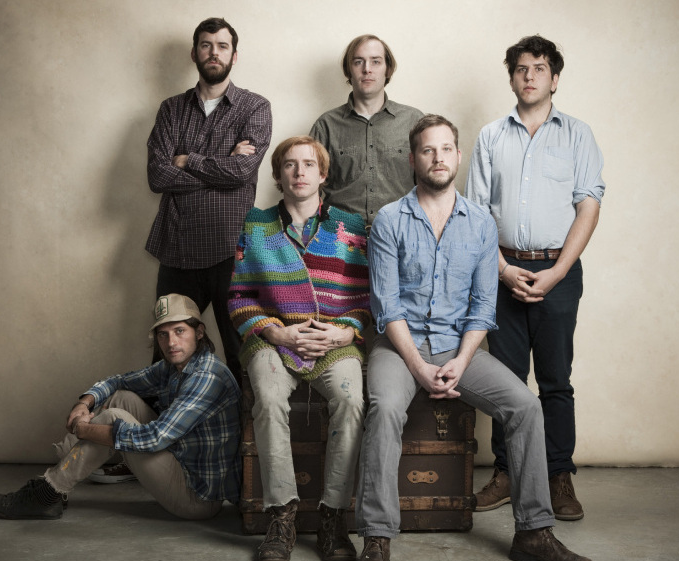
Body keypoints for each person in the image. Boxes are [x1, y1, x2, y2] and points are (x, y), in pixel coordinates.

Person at [355, 115, 590, 561]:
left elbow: (483, 307)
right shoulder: (389, 220)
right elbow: (386, 308)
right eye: (428, 150)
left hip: (457, 345)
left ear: (459, 156)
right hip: (399, 346)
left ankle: (533, 533)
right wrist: (420, 368)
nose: (438, 158)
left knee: (525, 406)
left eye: (446, 149)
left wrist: (462, 361)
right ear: (413, 159)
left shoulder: (481, 223)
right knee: (384, 408)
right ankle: (377, 537)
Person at [466, 35, 605, 521]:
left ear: (555, 78)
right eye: (521, 68)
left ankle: (557, 476)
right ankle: (505, 473)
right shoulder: (490, 136)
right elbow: (477, 212)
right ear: (511, 78)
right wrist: (502, 271)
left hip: (558, 270)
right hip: (499, 267)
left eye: (540, 68)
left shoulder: (578, 135)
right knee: (504, 381)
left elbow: (589, 204)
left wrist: (558, 272)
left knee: (555, 380)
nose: (530, 76)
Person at [228, 136, 370, 561]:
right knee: (269, 400)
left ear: (323, 174)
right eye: (290, 165)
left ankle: (332, 516)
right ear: (277, 175)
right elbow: (238, 297)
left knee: (351, 400)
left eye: (309, 164)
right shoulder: (256, 225)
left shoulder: (351, 227)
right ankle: (281, 515)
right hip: (273, 341)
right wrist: (275, 332)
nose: (300, 172)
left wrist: (345, 333)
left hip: (334, 341)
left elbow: (365, 299)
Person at [0, 294, 242, 520]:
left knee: (114, 417)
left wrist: (85, 431)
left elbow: (155, 438)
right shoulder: (175, 365)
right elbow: (119, 380)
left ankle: (47, 492)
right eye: (163, 334)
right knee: (121, 398)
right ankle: (56, 483)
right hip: (181, 456)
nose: (171, 342)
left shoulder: (206, 376)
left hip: (196, 496)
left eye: (179, 331)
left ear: (198, 332)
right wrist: (84, 403)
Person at [146, 17, 273, 382]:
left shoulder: (254, 107)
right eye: (206, 45)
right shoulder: (171, 109)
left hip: (231, 250)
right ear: (194, 53)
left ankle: (243, 438)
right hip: (178, 249)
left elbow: (242, 173)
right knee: (170, 354)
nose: (213, 52)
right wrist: (223, 164)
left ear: (234, 56)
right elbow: (157, 176)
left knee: (241, 351)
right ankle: (166, 434)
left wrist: (187, 160)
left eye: (221, 46)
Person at [310, 34, 424, 227]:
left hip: (402, 233)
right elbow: (309, 189)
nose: (367, 69)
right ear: (349, 70)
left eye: (376, 61)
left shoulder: (414, 121)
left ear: (388, 69)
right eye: (358, 62)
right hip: (339, 239)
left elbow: (430, 184)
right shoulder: (326, 125)